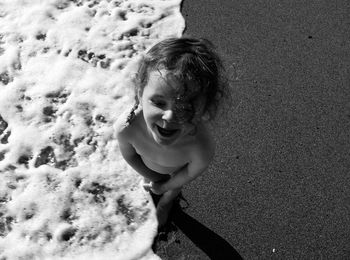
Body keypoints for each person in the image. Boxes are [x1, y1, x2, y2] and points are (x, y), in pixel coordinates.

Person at [115, 37, 226, 227]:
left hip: (175, 175)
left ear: (206, 107)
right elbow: (130, 156)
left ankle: (166, 203)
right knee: (152, 181)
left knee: (172, 189)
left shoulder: (201, 148)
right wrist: (154, 177)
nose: (169, 116)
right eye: (158, 102)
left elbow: (189, 174)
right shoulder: (127, 127)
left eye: (186, 107)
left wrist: (166, 186)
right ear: (141, 92)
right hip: (149, 169)